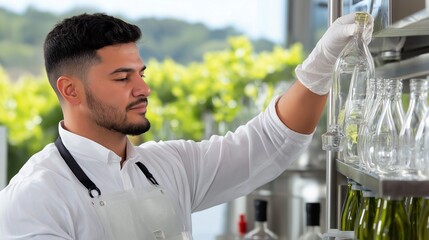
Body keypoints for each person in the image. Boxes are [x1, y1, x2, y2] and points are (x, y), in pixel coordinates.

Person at [0, 12, 373, 239]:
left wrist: (323, 61)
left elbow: (270, 142)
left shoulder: (166, 165)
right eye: (122, 77)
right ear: (70, 90)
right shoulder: (35, 198)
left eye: (141, 73)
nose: (143, 88)